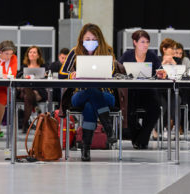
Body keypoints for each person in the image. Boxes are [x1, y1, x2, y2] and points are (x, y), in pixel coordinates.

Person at [59, 23, 117, 161]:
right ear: (81, 39)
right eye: (87, 39)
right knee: (90, 92)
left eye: (93, 39)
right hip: (79, 94)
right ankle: (108, 127)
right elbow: (62, 73)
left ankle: (86, 148)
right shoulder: (75, 51)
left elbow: (112, 72)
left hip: (105, 94)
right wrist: (71, 75)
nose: (90, 42)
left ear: (99, 39)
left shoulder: (107, 51)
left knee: (90, 105)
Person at [119, 30, 162, 149]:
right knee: (127, 111)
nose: (146, 45)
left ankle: (142, 138)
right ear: (135, 42)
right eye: (142, 42)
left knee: (156, 109)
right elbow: (119, 71)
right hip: (131, 92)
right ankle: (139, 138)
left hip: (148, 92)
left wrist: (160, 74)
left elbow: (161, 70)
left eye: (147, 42)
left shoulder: (152, 55)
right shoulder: (127, 55)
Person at [17, 46, 48, 133]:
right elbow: (18, 77)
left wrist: (44, 75)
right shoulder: (24, 66)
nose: (32, 54)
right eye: (30, 52)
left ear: (38, 55)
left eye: (34, 52)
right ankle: (35, 107)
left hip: (39, 92)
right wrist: (24, 76)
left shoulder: (43, 66)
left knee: (28, 97)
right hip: (25, 91)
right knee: (27, 92)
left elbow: (48, 77)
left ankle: (25, 124)